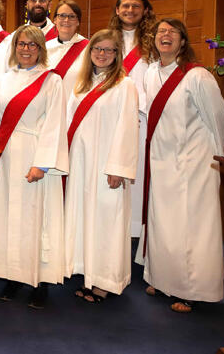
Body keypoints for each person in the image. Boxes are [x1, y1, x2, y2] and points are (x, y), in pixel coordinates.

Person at [139, 18, 224, 313]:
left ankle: (191, 289)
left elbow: (218, 119)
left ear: (183, 41)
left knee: (191, 228)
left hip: (194, 164)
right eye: (161, 32)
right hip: (161, 160)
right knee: (164, 224)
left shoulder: (197, 76)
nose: (165, 36)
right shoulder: (151, 72)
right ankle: (163, 280)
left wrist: (214, 158)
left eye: (172, 32)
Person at [0, 25, 68, 309]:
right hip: (6, 158)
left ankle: (40, 281)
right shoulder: (6, 79)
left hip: (34, 157)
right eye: (21, 44)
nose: (26, 49)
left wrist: (42, 163)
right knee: (9, 217)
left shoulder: (51, 81)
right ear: (14, 47)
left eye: (32, 45)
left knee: (37, 218)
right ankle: (13, 275)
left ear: (41, 49)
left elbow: (55, 122)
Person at [63, 29, 139, 303]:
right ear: (90, 52)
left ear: (117, 54)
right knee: (84, 218)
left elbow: (128, 127)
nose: (103, 54)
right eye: (98, 49)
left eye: (109, 50)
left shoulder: (124, 85)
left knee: (107, 220)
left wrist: (118, 167)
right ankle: (87, 273)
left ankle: (106, 281)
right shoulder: (81, 84)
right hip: (81, 163)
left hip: (107, 166)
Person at [108, 0, 156, 237]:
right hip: (112, 115)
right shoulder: (106, 39)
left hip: (143, 115)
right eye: (125, 6)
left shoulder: (155, 40)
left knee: (138, 174)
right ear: (117, 10)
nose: (129, 10)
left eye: (135, 6)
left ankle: (137, 232)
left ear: (145, 10)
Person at [46, 0, 89, 98]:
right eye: (62, 15)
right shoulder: (45, 48)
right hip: (49, 106)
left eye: (72, 16)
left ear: (78, 21)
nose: (66, 20)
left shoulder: (88, 48)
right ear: (55, 20)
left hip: (75, 106)